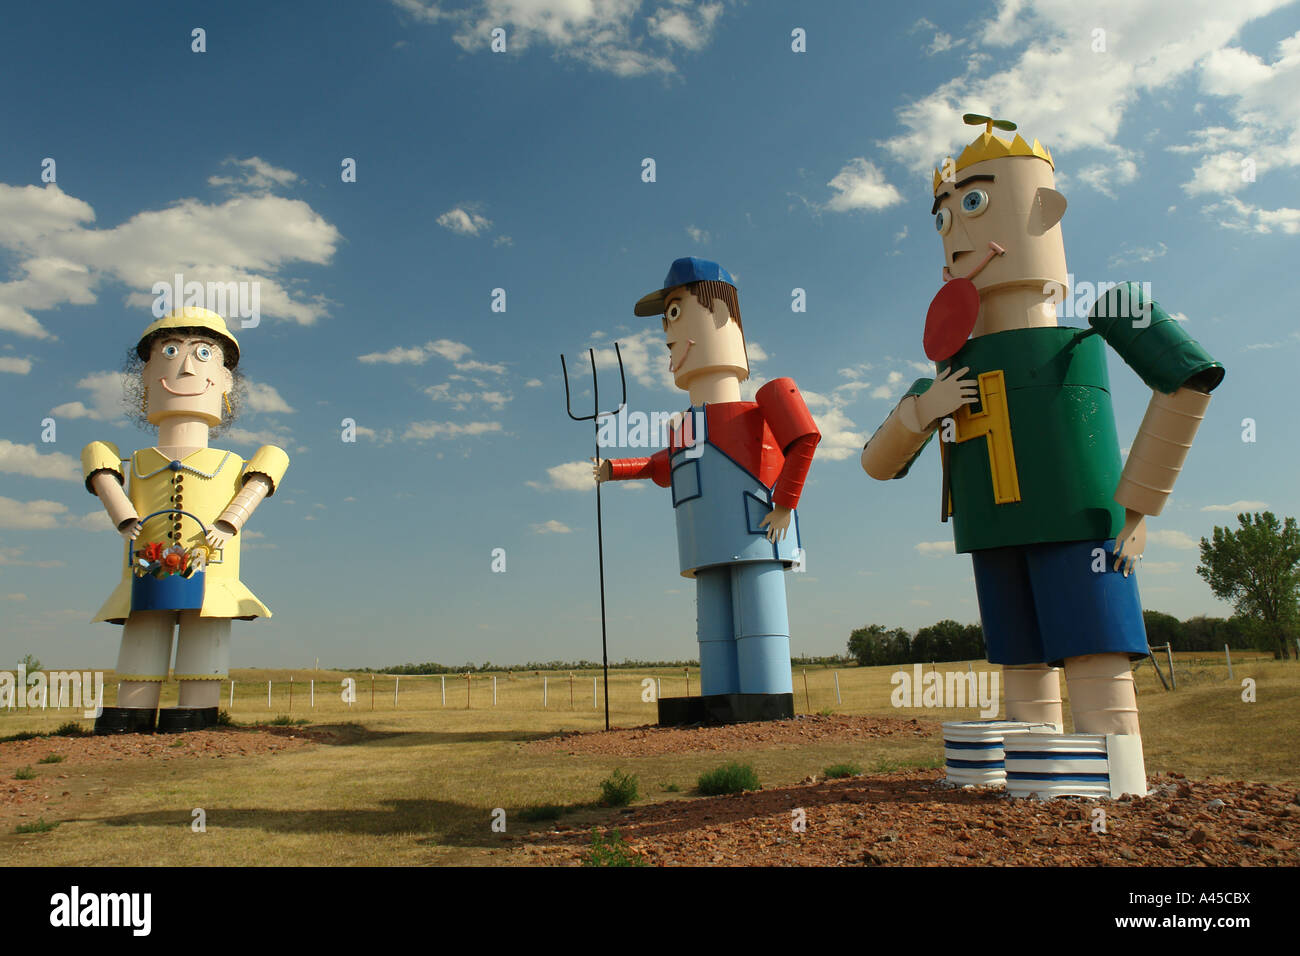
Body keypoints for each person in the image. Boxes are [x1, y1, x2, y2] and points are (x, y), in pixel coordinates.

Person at [862, 117, 1224, 795]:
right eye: (944, 217)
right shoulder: (947, 370)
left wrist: (1138, 506)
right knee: (1021, 662)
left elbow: (1189, 379)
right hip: (994, 533)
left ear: (1045, 212)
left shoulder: (1111, 315)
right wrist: (921, 410)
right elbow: (877, 462)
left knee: (1095, 656)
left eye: (972, 205)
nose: (956, 233)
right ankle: (1044, 788)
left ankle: (1119, 784)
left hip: (1081, 523)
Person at [595, 257, 819, 723]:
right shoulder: (683, 427)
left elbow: (805, 440)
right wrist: (615, 468)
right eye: (666, 320)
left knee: (760, 622)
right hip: (704, 541)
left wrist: (784, 506)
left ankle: (767, 698)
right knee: (713, 630)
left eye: (676, 313)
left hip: (758, 531)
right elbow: (665, 467)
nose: (667, 334)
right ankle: (720, 698)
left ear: (723, 319)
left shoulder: (769, 398)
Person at [82, 307, 289, 734]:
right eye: (170, 351)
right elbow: (102, 472)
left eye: (203, 354)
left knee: (204, 630)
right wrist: (123, 514)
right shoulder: (131, 459)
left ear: (226, 380)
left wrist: (228, 523)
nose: (185, 366)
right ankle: (134, 710)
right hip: (145, 567)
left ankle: (197, 710)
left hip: (211, 568)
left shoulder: (234, 462)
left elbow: (258, 484)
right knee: (145, 628)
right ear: (145, 375)